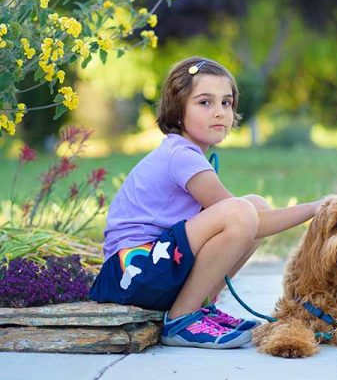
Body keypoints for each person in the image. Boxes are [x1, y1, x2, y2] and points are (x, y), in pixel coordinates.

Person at [89, 57, 322, 349]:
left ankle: (200, 307)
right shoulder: (182, 156)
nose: (219, 112)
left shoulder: (191, 154)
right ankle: (182, 319)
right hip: (130, 272)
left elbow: (252, 220)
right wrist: (314, 208)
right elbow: (246, 221)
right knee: (242, 213)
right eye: (205, 103)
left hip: (154, 266)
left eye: (226, 102)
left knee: (255, 205)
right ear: (177, 109)